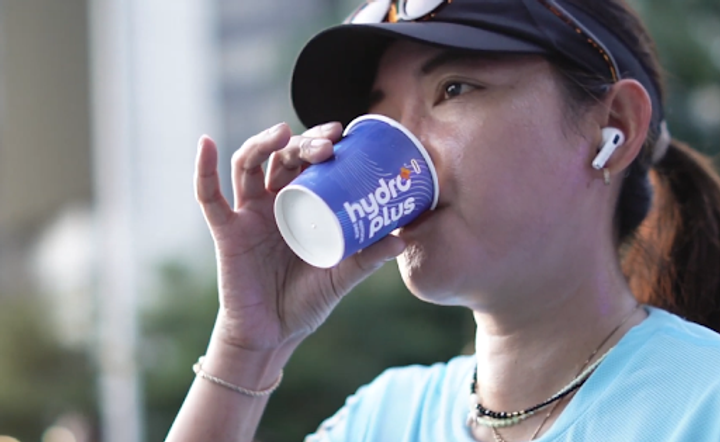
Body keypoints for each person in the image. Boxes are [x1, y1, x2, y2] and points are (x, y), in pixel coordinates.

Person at [166, 0, 720, 441]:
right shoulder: (381, 419)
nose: (400, 143)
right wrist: (247, 351)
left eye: (454, 89)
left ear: (614, 126)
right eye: (376, 115)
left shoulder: (702, 401)